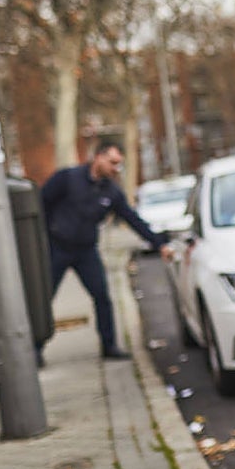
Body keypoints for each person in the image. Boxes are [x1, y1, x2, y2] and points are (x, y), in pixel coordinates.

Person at [40, 140, 172, 364]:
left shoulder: (111, 191)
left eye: (119, 164)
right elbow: (41, 205)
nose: (115, 168)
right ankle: (35, 348)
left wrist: (159, 244)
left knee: (102, 296)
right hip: (57, 248)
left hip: (85, 251)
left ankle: (109, 346)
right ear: (97, 157)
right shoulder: (67, 178)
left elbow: (132, 219)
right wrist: (42, 239)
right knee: (43, 298)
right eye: (112, 162)